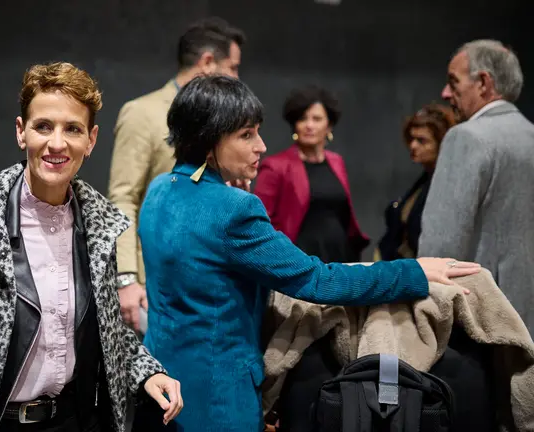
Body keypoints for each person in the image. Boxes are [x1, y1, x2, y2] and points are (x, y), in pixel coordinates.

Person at [136, 75, 479, 432]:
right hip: (217, 394)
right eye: (246, 135)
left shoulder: (160, 189)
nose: (261, 146)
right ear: (209, 142)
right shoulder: (234, 209)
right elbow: (317, 280)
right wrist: (414, 272)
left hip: (159, 379)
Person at [0, 62, 183, 432]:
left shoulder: (101, 225)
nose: (57, 143)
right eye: (44, 126)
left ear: (91, 140)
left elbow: (106, 327)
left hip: (74, 420)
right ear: (22, 132)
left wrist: (145, 371)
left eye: (72, 129)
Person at [107, 17, 246, 333]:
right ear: (207, 62)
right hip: (156, 283)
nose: (238, 78)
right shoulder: (142, 113)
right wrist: (126, 277)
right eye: (233, 67)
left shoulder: (225, 123)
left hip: (210, 283)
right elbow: (123, 198)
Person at [418, 39, 534, 332]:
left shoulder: (465, 138)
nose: (445, 93)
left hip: (482, 316)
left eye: (453, 81)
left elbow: (440, 245)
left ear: (483, 82)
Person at [253, 86, 367, 263]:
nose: (309, 125)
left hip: (340, 254)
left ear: (329, 125)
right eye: (302, 119)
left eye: (317, 119)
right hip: (299, 258)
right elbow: (261, 220)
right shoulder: (276, 166)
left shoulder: (336, 162)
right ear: (294, 125)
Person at [375, 103, 457, 261]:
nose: (413, 146)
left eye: (422, 141)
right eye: (411, 138)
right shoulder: (424, 180)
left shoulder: (444, 183)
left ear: (442, 143)